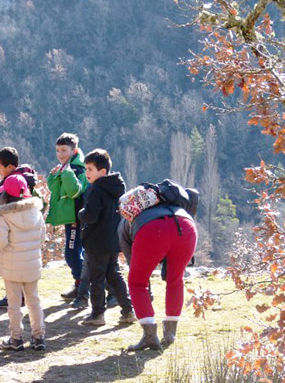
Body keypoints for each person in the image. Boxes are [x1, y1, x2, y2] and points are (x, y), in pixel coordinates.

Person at [123, 188, 198, 350]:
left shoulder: (127, 220)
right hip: (187, 227)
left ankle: (149, 336)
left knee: (137, 282)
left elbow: (131, 260)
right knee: (175, 279)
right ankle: (170, 333)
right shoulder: (175, 206)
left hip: (152, 229)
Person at [0, 174, 46, 351]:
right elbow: (42, 238)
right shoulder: (36, 212)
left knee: (14, 303)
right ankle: (38, 336)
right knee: (34, 300)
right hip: (32, 265)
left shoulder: (4, 216)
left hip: (11, 267)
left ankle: (16, 338)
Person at [77, 149, 136, 326]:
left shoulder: (97, 190)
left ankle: (97, 314)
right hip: (113, 239)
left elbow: (91, 216)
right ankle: (128, 310)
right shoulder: (117, 188)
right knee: (114, 275)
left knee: (97, 278)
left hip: (97, 241)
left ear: (102, 172)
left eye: (89, 169)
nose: (86, 173)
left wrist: (81, 213)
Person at [0, 146, 38, 308]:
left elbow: (3, 200)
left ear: (10, 167)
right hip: (25, 232)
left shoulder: (13, 181)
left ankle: (13, 298)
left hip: (11, 229)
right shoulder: (22, 178)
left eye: (0, 167)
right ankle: (20, 297)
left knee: (10, 266)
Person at [45, 133, 90, 308]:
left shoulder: (78, 169)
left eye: (64, 150)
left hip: (76, 217)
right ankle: (80, 285)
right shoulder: (66, 167)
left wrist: (66, 173)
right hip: (69, 216)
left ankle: (83, 286)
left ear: (75, 150)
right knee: (76, 253)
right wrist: (53, 176)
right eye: (57, 150)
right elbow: (55, 190)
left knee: (71, 254)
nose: (60, 154)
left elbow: (74, 192)